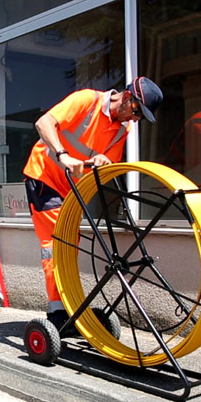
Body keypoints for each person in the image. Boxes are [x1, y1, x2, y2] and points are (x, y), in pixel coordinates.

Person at [23, 76, 163, 330]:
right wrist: (63, 156)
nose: (135, 119)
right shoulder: (86, 100)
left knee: (70, 243)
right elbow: (44, 123)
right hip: (45, 177)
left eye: (140, 116)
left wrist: (101, 161)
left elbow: (106, 166)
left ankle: (68, 307)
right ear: (127, 97)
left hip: (72, 187)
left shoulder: (123, 129)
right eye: (136, 111)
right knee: (57, 243)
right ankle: (57, 313)